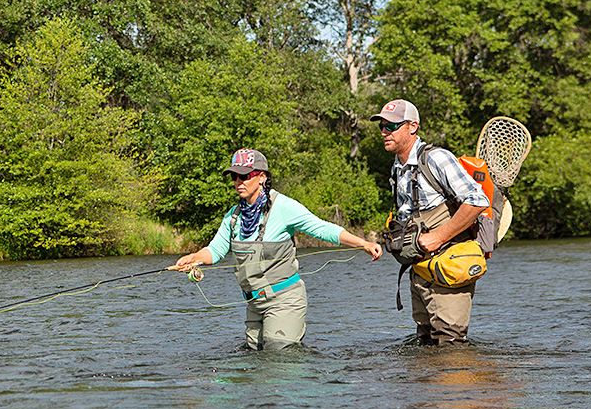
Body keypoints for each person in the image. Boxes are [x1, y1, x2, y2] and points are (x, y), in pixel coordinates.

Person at [174, 148, 382, 351]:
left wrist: (363, 243)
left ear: (262, 177)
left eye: (244, 176)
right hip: (254, 304)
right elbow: (214, 251)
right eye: (234, 176)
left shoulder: (283, 207)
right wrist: (194, 258)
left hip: (285, 300)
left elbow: (322, 228)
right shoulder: (233, 216)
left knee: (277, 355)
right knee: (254, 363)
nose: (238, 181)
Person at [371, 99, 490, 345]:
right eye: (382, 126)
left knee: (450, 344)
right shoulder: (397, 168)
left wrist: (438, 237)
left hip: (450, 265)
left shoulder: (436, 158)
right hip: (420, 269)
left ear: (412, 127)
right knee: (425, 341)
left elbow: (477, 201)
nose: (384, 131)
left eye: (392, 126)